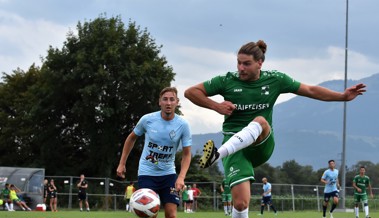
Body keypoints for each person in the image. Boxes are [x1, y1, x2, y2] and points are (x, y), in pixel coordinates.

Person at [184, 40, 366, 218]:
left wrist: (342, 96)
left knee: (261, 120)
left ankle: (217, 155)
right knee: (240, 204)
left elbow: (310, 90)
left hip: (262, 143)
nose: (241, 68)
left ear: (260, 63)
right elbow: (191, 92)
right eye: (238, 63)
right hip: (235, 148)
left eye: (246, 64)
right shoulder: (226, 81)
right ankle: (221, 156)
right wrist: (216, 106)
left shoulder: (276, 79)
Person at [116, 87, 192, 218]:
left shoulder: (183, 125)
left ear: (177, 102)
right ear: (159, 102)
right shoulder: (147, 119)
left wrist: (181, 177)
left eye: (172, 99)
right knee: (149, 214)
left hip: (169, 174)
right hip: (147, 173)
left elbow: (186, 153)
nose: (168, 103)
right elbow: (131, 138)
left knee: (171, 215)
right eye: (165, 99)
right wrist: (122, 163)